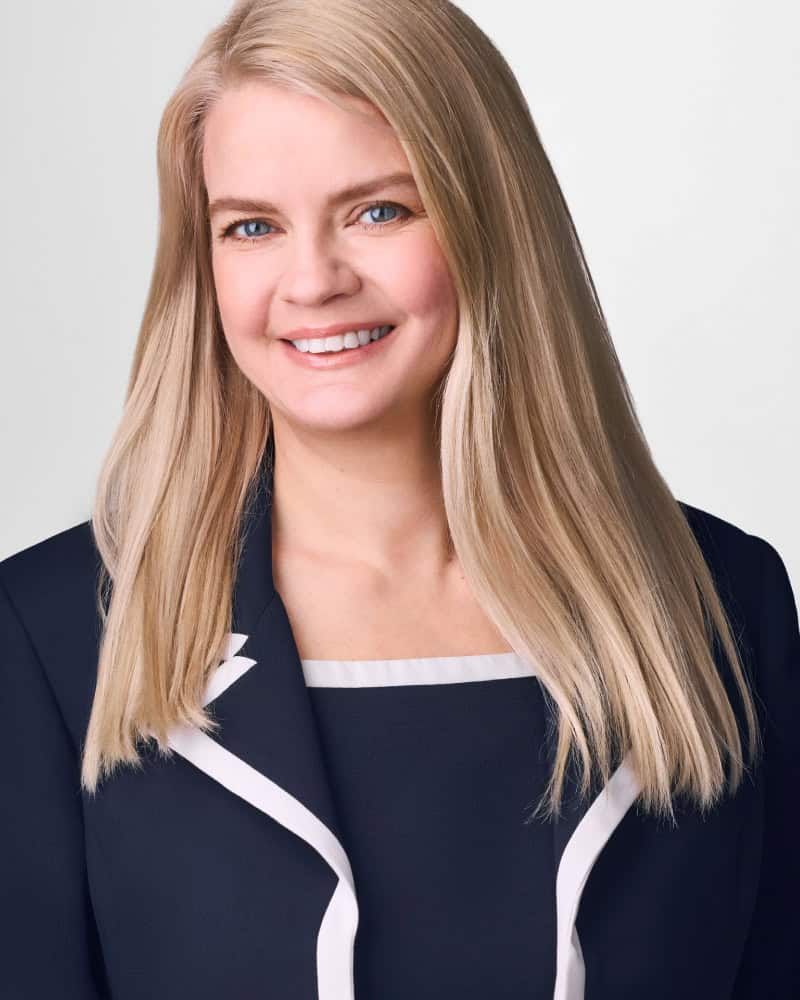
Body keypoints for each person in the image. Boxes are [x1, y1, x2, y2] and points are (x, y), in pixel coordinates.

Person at [1, 1, 797, 997]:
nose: (312, 280)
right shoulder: (54, 632)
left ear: (488, 224)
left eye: (378, 210)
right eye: (251, 226)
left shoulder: (722, 605)